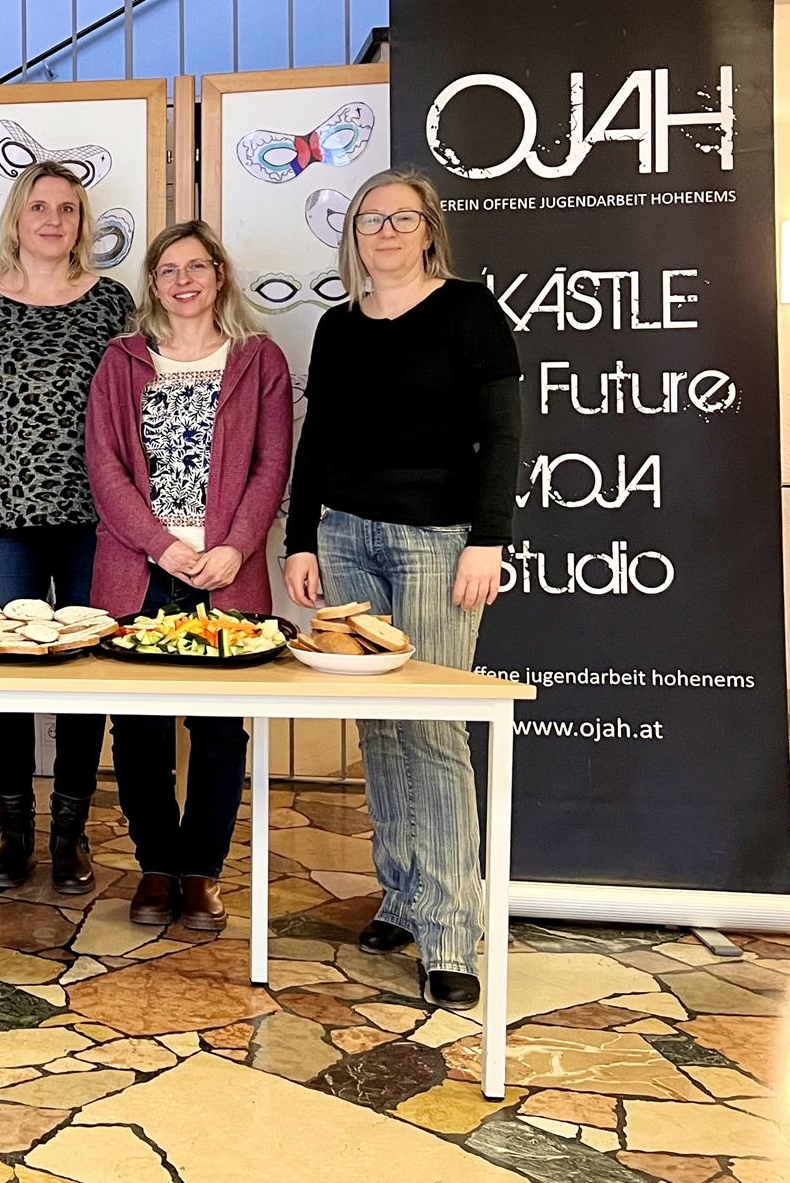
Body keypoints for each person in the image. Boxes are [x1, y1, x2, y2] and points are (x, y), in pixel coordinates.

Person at [284, 169, 520, 1012]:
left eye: (401, 218)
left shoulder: (469, 311)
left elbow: (504, 435)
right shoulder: (336, 326)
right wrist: (300, 538)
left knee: (433, 731)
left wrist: (487, 539)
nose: (384, 231)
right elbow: (318, 439)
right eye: (369, 219)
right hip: (345, 536)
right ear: (352, 235)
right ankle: (403, 896)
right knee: (381, 729)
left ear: (429, 230)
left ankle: (452, 931)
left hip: (437, 543)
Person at [87, 221, 291, 932]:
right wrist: (157, 544)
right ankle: (155, 867)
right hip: (140, 572)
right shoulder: (122, 360)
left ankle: (200, 871)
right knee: (139, 730)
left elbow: (272, 463)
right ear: (153, 283)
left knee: (219, 731)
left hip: (225, 574)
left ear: (219, 275)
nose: (184, 281)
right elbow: (105, 465)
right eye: (169, 270)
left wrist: (236, 547)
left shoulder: (258, 359)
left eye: (197, 266)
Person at [0, 163, 134, 896]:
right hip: (3, 518)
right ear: (16, 219)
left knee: (87, 669)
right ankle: (14, 828)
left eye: (68, 208)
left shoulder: (112, 303)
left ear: (82, 223)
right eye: (40, 207)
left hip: (100, 519)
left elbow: (134, 413)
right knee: (9, 673)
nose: (54, 220)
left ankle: (70, 830)